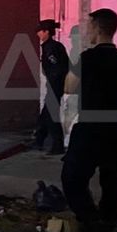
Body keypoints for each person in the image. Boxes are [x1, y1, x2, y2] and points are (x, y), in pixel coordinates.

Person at [60, 9, 117, 232]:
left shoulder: (88, 58)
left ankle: (90, 220)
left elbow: (69, 87)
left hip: (91, 127)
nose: (87, 31)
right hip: (115, 126)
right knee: (111, 176)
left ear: (98, 29)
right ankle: (109, 220)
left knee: (73, 176)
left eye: (89, 27)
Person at [34, 19, 70, 155]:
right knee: (46, 114)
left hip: (55, 85)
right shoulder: (51, 46)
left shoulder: (51, 47)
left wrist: (54, 81)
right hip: (54, 84)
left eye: (40, 31)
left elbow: (57, 67)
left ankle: (57, 144)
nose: (38, 34)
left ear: (46, 32)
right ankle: (39, 139)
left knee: (51, 115)